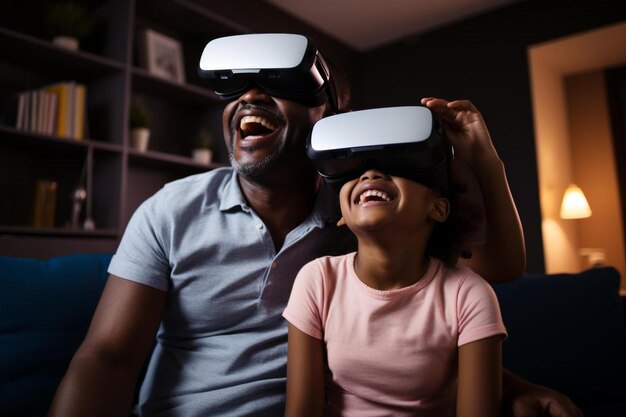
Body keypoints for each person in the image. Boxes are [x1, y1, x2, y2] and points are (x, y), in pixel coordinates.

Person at [48, 34, 582, 417]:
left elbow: (464, 293)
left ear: (325, 118)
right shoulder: (170, 211)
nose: (249, 97)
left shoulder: (360, 222)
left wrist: (510, 388)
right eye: (235, 88)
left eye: (276, 84)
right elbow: (109, 359)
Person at [283, 106, 507, 417]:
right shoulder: (317, 281)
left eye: (399, 165)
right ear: (343, 218)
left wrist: (484, 158)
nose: (370, 173)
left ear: (439, 209)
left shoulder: (468, 294)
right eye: (356, 170)